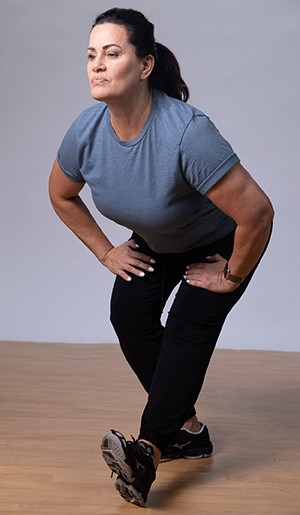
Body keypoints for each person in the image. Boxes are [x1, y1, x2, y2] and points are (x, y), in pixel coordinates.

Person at [49, 7, 274, 507]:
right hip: (158, 240)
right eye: (91, 55)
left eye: (112, 53)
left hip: (223, 242)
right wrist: (106, 251)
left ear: (145, 65)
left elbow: (257, 213)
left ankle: (147, 451)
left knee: (187, 328)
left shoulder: (185, 132)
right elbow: (61, 194)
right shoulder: (86, 132)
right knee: (129, 315)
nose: (97, 65)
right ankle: (188, 432)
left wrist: (232, 273)